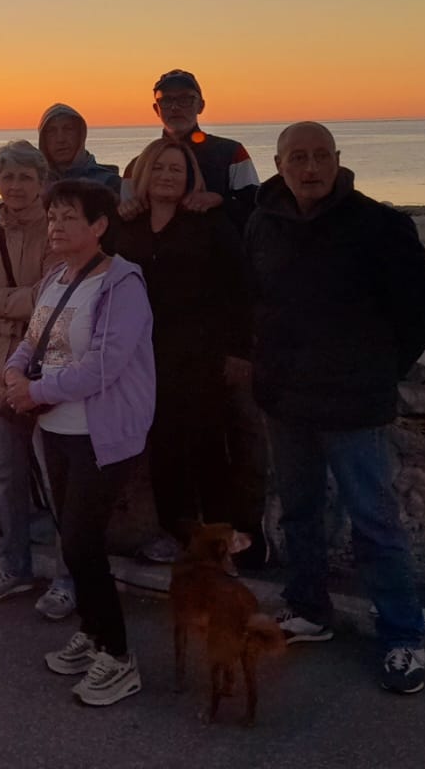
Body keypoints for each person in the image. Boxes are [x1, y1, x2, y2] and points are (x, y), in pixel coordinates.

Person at [246, 122, 425, 696]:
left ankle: (403, 634)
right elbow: (252, 298)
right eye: (297, 157)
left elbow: (423, 310)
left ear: (337, 160)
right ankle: (309, 607)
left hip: (355, 402)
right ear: (278, 164)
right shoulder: (262, 222)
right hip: (285, 398)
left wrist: (381, 367)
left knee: (374, 522)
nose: (310, 168)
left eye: (320, 156)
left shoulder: (379, 225)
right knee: (299, 512)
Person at [2, 179, 155, 708]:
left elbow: (104, 365)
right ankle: (92, 632)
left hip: (100, 435)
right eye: (52, 218)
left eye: (69, 217)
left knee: (83, 544)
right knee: (72, 540)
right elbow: (32, 339)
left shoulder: (121, 284)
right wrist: (14, 373)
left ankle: (118, 656)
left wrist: (35, 391)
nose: (56, 226)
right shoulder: (55, 278)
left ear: (99, 225)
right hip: (57, 431)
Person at [117, 137, 254, 564]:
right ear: (143, 175)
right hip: (144, 357)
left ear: (190, 177)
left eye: (176, 169)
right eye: (158, 168)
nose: (167, 176)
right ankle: (174, 534)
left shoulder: (208, 223)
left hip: (201, 355)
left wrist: (239, 350)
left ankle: (219, 539)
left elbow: (239, 288)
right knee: (162, 448)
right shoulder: (127, 227)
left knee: (209, 447)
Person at [0, 140, 76, 618]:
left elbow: (49, 302)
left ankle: (68, 578)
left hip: (43, 375)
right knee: (6, 478)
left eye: (26, 177)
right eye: (8, 177)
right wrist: (15, 304)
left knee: (57, 480)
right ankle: (14, 565)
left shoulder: (58, 236)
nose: (16, 186)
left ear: (42, 182)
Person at [123, 69, 260, 230]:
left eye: (185, 99)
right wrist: (126, 210)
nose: (175, 107)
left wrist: (220, 200)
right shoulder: (136, 166)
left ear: (201, 105)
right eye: (166, 100)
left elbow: (256, 209)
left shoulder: (232, 153)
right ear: (156, 109)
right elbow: (126, 217)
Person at [38, 103, 121, 190]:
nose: (60, 139)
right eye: (51, 131)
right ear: (43, 139)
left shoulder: (109, 183)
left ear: (80, 135)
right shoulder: (36, 187)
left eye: (68, 129)